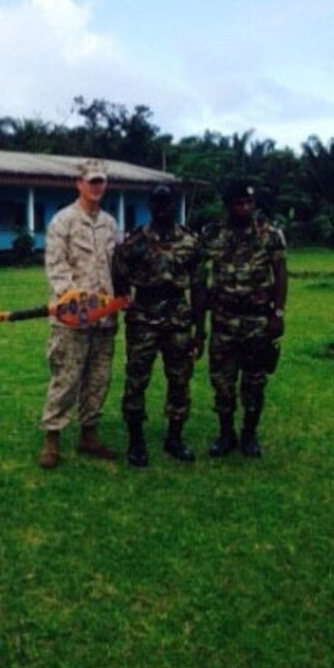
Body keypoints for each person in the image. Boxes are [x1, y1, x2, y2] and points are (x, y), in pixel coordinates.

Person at [112, 184, 205, 467]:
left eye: (168, 204)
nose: (163, 209)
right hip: (143, 316)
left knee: (180, 379)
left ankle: (174, 438)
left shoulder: (190, 242)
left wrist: (200, 330)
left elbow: (200, 286)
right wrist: (124, 298)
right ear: (150, 206)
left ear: (174, 206)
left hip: (178, 316)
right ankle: (136, 441)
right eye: (157, 204)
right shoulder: (135, 240)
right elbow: (118, 271)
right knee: (136, 378)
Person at [38, 159, 119, 468]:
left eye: (102, 181)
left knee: (99, 379)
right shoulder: (63, 221)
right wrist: (78, 303)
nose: (97, 187)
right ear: (80, 184)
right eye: (92, 181)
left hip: (105, 317)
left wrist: (118, 299)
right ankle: (52, 438)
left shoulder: (110, 224)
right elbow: (57, 268)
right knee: (66, 378)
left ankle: (89, 434)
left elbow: (117, 267)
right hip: (71, 318)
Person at [199, 181, 288, 457]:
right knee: (222, 383)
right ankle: (226, 434)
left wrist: (278, 312)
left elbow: (281, 274)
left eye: (250, 203)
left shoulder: (270, 234)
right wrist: (199, 324)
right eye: (239, 203)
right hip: (224, 319)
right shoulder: (212, 234)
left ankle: (250, 434)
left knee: (255, 381)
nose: (246, 208)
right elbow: (200, 279)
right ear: (228, 206)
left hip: (257, 321)